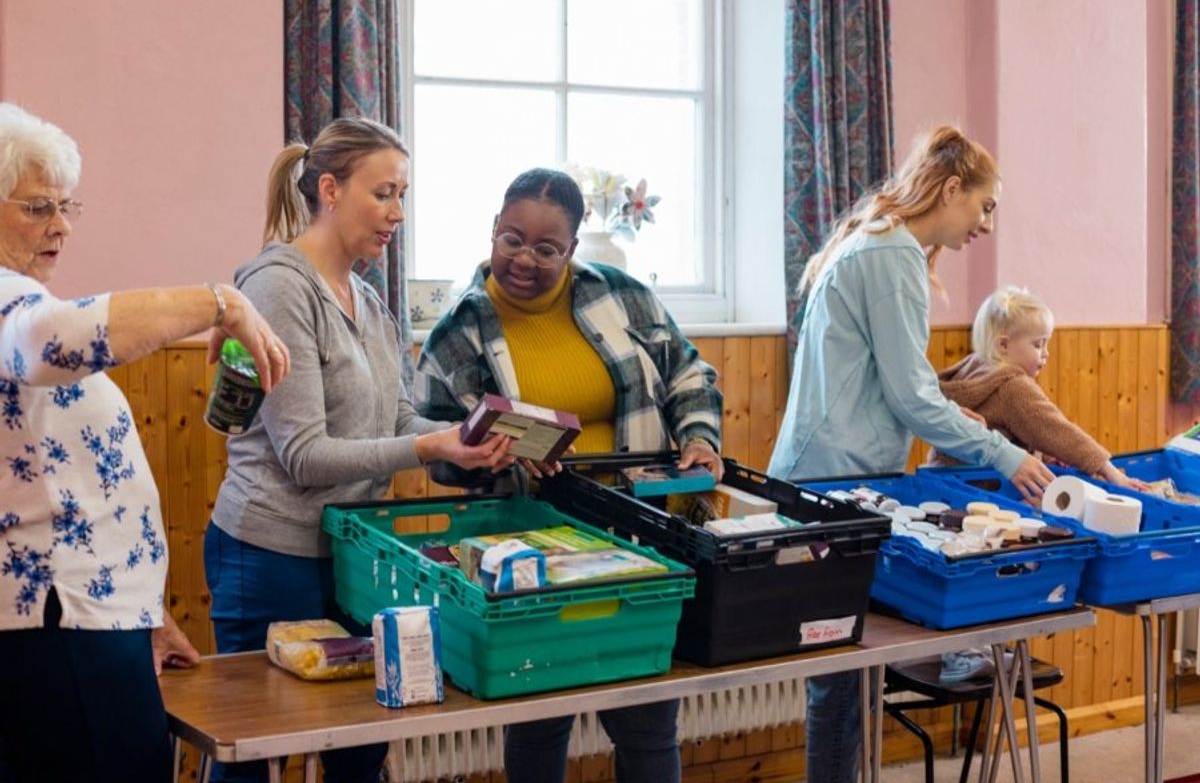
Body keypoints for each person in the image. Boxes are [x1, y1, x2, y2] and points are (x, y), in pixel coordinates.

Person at [206, 117, 512, 783]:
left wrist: (467, 440)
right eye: (384, 194)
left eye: (404, 196)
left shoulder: (371, 301)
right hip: (268, 555)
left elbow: (397, 417)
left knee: (361, 747)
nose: (397, 213)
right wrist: (430, 443)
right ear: (330, 190)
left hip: (350, 557)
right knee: (258, 754)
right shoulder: (278, 288)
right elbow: (306, 456)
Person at [0, 103, 290, 783]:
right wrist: (224, 302)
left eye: (67, 205)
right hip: (51, 627)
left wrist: (145, 613)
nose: (61, 226)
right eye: (38, 207)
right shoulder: (16, 309)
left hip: (90, 618)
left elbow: (74, 485)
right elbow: (54, 340)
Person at [766, 126, 1055, 783]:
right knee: (842, 679)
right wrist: (1005, 455)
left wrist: (953, 407)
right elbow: (910, 397)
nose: (986, 224)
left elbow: (893, 381)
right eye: (984, 206)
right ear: (951, 189)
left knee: (847, 675)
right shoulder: (891, 254)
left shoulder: (872, 240)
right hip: (836, 480)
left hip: (828, 473)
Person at [416, 167, 723, 783]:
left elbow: (690, 372)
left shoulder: (621, 294)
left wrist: (698, 437)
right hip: (528, 544)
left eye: (547, 248)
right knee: (537, 711)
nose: (525, 258)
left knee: (647, 713)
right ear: (493, 231)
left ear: (573, 250)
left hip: (639, 537)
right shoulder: (460, 329)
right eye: (511, 239)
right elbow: (432, 443)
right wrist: (481, 456)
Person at [932, 285, 1148, 491]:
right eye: (1037, 344)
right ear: (1004, 345)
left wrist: (1044, 454)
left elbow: (1008, 430)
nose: (1046, 353)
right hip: (986, 491)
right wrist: (1112, 473)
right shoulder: (1013, 387)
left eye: (1046, 343)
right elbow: (1058, 431)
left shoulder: (972, 368)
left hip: (943, 479)